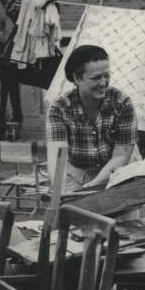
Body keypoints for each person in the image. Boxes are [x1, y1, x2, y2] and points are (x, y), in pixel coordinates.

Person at [47, 44, 137, 190]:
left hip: (119, 170)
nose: (103, 83)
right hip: (78, 172)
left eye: (106, 76)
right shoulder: (59, 108)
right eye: (96, 78)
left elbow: (121, 156)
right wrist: (59, 192)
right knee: (73, 210)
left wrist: (93, 186)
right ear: (77, 78)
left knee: (120, 209)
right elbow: (57, 157)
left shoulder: (122, 103)